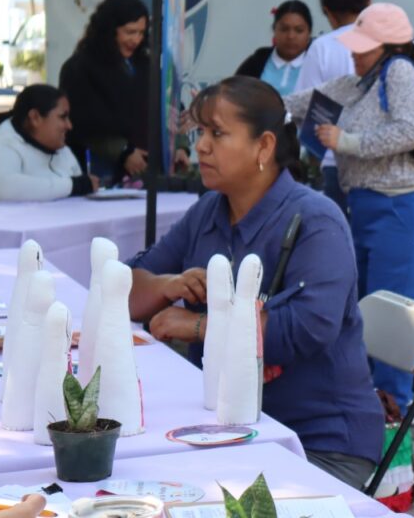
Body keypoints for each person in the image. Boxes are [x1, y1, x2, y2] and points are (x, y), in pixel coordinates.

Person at [126, 76, 384, 488]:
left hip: (315, 440)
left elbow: (308, 326)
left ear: (263, 146)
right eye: (199, 133)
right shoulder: (210, 209)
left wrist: (197, 326)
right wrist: (167, 285)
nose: (201, 147)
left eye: (217, 133)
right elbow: (124, 291)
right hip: (224, 430)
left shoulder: (316, 220)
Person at [285, 2, 414, 411]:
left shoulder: (401, 73)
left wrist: (347, 143)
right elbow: (305, 100)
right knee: (369, 309)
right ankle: (372, 407)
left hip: (402, 209)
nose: (354, 53)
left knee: (393, 316)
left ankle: (393, 414)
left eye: (363, 47)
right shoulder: (362, 81)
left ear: (389, 47)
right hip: (372, 207)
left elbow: (411, 128)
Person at [59, 0, 156, 180]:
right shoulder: (79, 67)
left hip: (145, 170)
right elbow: (81, 122)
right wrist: (123, 151)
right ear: (110, 29)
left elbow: (166, 107)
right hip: (100, 170)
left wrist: (178, 146)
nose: (136, 40)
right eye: (129, 32)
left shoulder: (145, 65)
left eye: (141, 33)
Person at [296, 0, 372, 211]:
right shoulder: (403, 44)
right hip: (392, 168)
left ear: (328, 12)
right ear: (368, 2)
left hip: (337, 164)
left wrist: (315, 152)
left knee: (344, 241)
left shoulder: (323, 46)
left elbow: (306, 108)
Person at [0, 85, 99, 204]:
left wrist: (79, 186)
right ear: (35, 118)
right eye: (62, 117)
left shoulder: (63, 152)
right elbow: (8, 191)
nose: (69, 125)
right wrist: (73, 185)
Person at [235, 0, 314, 96]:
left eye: (299, 30)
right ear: (274, 30)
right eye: (284, 29)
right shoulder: (255, 63)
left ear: (309, 33)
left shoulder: (317, 64)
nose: (291, 36)